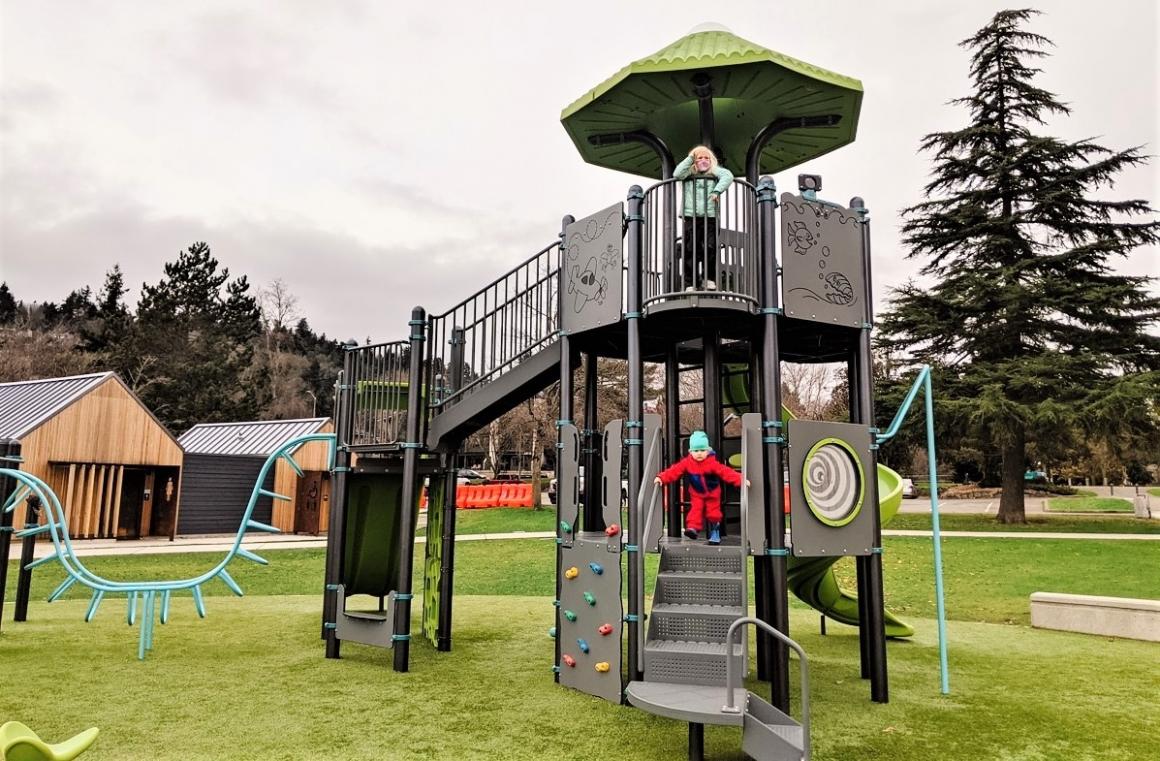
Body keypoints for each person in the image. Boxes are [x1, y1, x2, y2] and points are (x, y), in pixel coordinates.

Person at [653, 430, 746, 545]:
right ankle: (692, 529)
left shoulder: (712, 463)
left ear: (708, 451)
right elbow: (674, 471)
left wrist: (741, 480)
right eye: (696, 451)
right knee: (695, 511)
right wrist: (661, 478)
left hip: (713, 493)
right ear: (690, 452)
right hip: (697, 493)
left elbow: (726, 472)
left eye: (702, 450)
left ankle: (715, 532)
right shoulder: (687, 463)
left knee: (713, 513)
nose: (699, 453)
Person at [673, 145, 733, 291]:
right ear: (694, 160)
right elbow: (677, 174)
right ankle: (690, 283)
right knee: (690, 249)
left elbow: (728, 176)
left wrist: (717, 190)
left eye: (706, 157)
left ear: (711, 160)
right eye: (700, 158)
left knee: (710, 247)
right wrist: (691, 157)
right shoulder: (689, 172)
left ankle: (708, 279)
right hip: (691, 216)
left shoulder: (714, 172)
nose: (703, 160)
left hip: (710, 216)